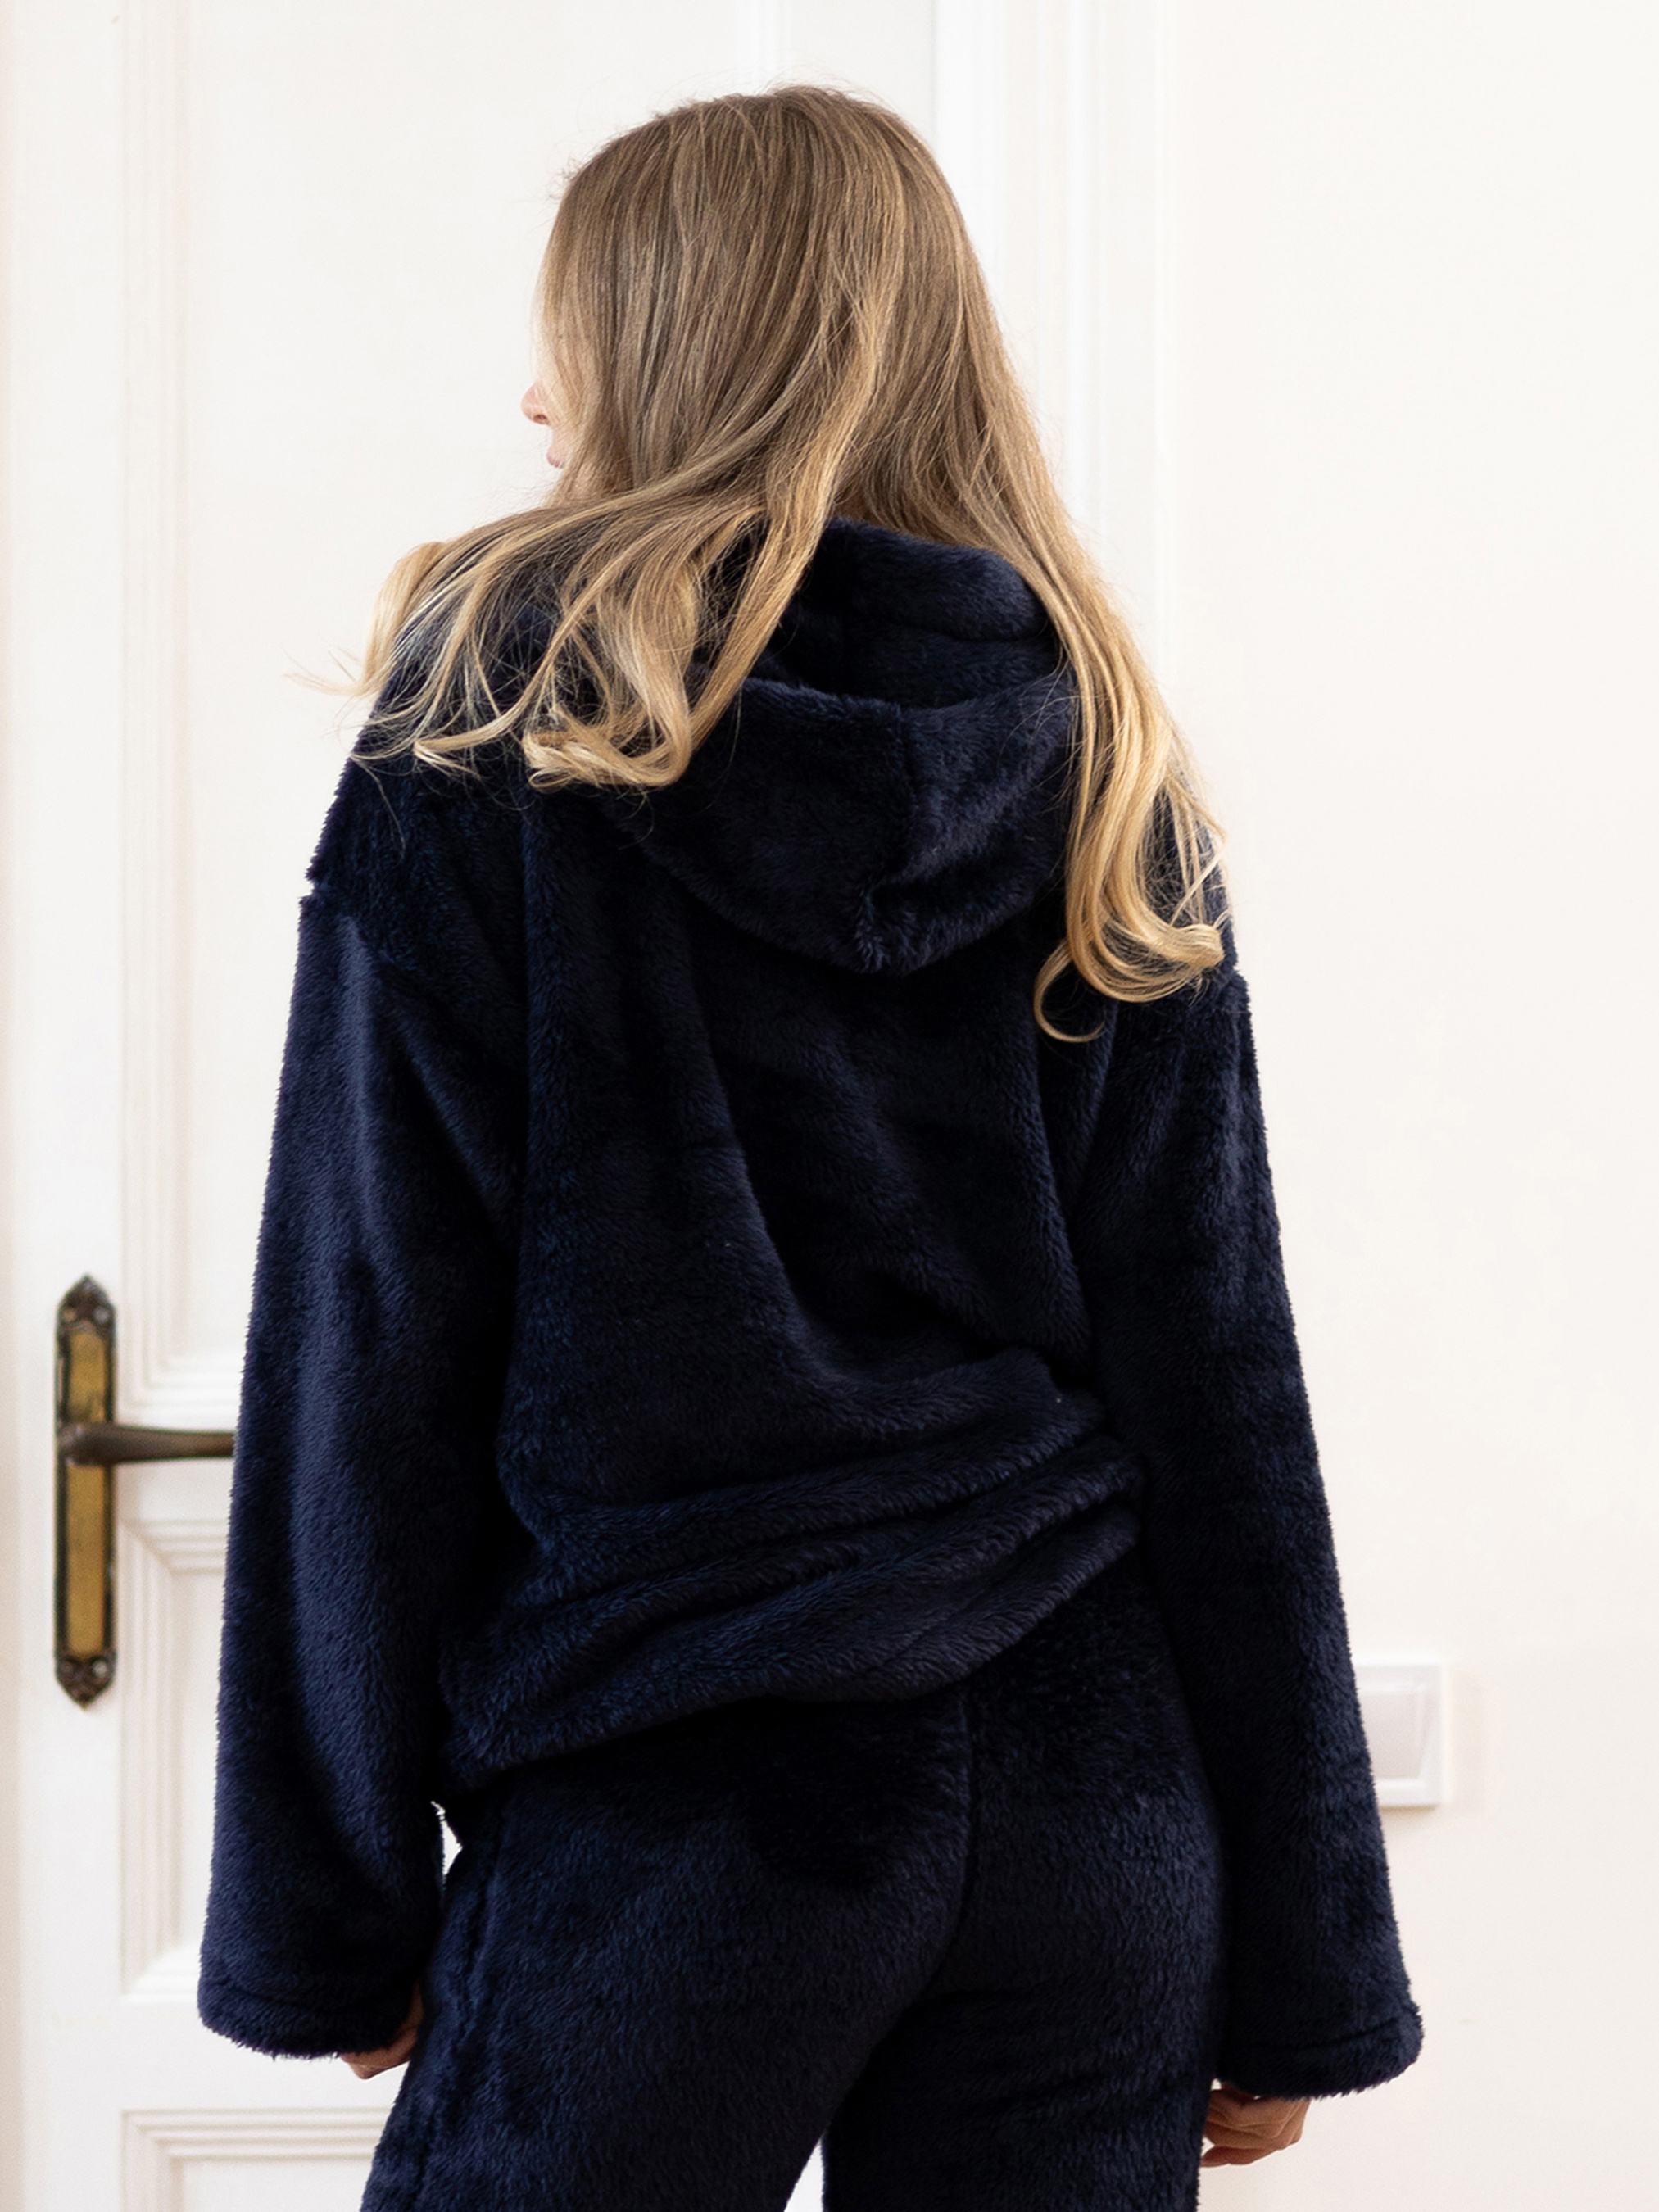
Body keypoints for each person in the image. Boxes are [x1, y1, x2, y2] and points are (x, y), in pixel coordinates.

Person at [197, 84, 1421, 2212]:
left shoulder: (503, 723)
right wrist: (1302, 1962)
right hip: (1088, 1812)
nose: (533, 395)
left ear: (667, 349)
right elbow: (1221, 1383)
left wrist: (326, 1906)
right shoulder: (1097, 747)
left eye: (570, 335)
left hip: (684, 1808)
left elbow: (365, 1334)